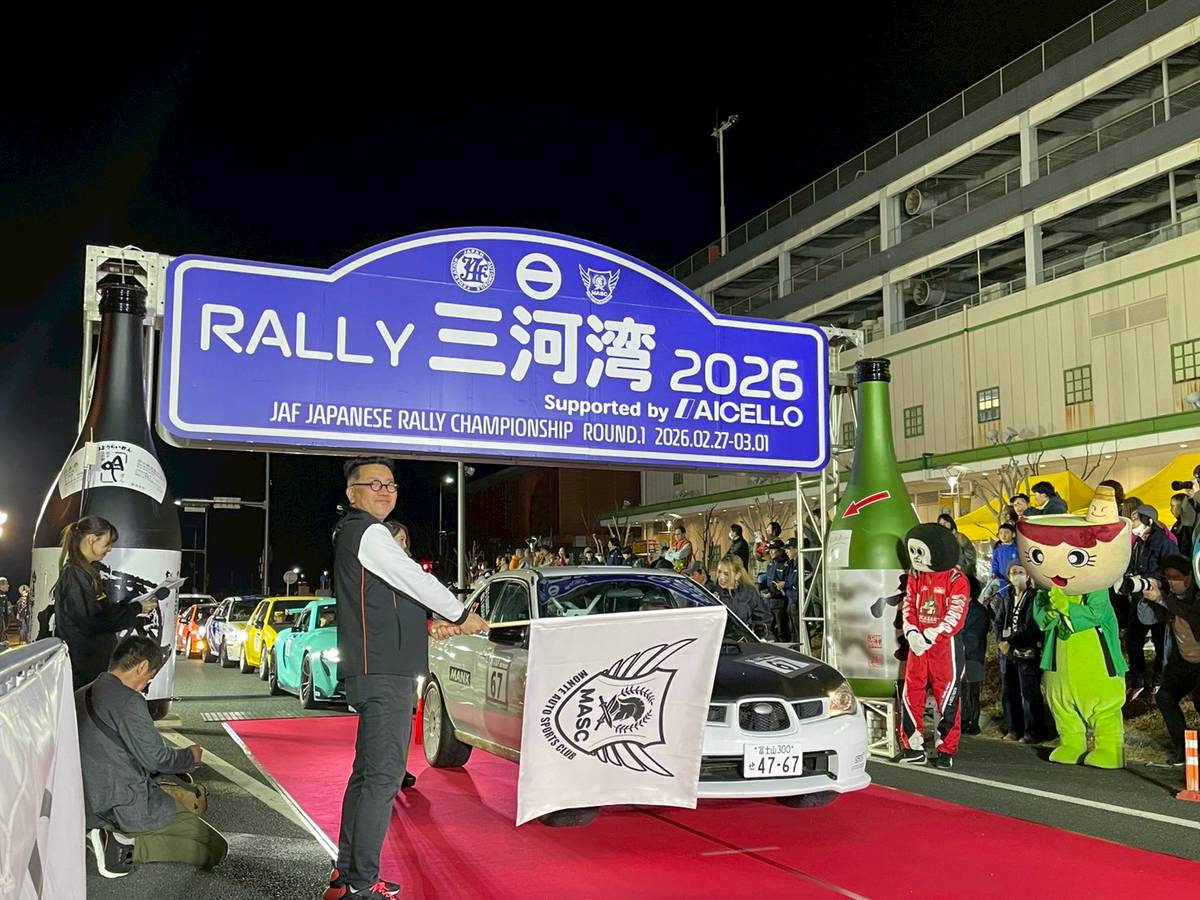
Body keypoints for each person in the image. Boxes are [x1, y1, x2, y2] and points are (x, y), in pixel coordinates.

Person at [330, 457, 488, 899]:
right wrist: (461, 613)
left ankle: (346, 874)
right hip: (384, 673)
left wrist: (433, 626)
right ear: (352, 493)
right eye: (374, 484)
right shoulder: (368, 532)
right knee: (382, 777)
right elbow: (413, 579)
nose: (385, 491)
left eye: (391, 484)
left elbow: (389, 600)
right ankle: (362, 883)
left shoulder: (357, 535)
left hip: (377, 669)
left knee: (368, 775)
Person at [76, 635, 225, 878]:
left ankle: (108, 838)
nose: (146, 686)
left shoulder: (80, 694)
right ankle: (122, 847)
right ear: (142, 666)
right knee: (214, 848)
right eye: (150, 678)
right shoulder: (128, 701)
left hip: (90, 804)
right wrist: (190, 757)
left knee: (189, 832)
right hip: (126, 803)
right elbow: (156, 759)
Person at [53, 517, 157, 690]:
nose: (109, 549)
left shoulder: (85, 573)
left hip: (89, 667)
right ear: (91, 539)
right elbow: (94, 622)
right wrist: (135, 609)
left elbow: (101, 614)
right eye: (107, 544)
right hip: (83, 670)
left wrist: (132, 607)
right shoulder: (75, 576)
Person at [898, 524, 969, 768]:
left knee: (947, 697)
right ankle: (913, 748)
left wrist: (930, 636)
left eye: (920, 552)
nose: (916, 558)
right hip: (917, 646)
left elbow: (956, 615)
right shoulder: (915, 575)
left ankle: (946, 750)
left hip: (944, 648)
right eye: (912, 552)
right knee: (911, 694)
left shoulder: (956, 579)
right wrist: (911, 632)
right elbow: (908, 604)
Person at [1144, 555, 1200, 766]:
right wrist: (1147, 594)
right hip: (1183, 660)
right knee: (1165, 697)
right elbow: (1147, 618)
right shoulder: (1168, 596)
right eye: (1167, 577)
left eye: (1175, 577)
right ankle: (1183, 749)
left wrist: (1162, 599)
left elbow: (1191, 614)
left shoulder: (1197, 597)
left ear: (1189, 576)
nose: (1171, 581)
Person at [1120, 504, 1172, 700]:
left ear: (1149, 520)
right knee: (1133, 642)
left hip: (1158, 602)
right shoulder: (1137, 543)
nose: (1132, 522)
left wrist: (1156, 583)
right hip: (1138, 600)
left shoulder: (1164, 543)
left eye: (1135, 518)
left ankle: (1159, 680)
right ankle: (1138, 681)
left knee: (1160, 644)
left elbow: (1174, 570)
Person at [997, 561, 1048, 743]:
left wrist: (1010, 641)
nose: (1016, 575)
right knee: (1009, 692)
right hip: (1008, 653)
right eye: (1013, 572)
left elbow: (1031, 625)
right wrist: (1000, 642)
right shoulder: (1006, 598)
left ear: (1027, 576)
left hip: (1027, 651)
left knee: (1029, 693)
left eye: (1020, 572)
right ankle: (1013, 728)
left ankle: (1032, 732)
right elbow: (998, 622)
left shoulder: (1034, 598)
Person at [959, 585, 992, 736]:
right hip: (964, 655)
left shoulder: (978, 611)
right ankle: (964, 721)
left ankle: (971, 722)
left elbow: (974, 635)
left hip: (972, 655)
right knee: (964, 690)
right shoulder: (965, 608)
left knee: (971, 691)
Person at [713, 554, 772, 638]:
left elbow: (762, 618)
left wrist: (765, 636)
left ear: (737, 575)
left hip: (744, 642)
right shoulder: (711, 592)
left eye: (726, 574)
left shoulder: (749, 592)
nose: (721, 577)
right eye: (719, 572)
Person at [937, 514, 977, 592]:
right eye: (941, 524)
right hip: (948, 574)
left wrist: (962, 565)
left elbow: (970, 553)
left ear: (951, 523)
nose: (943, 525)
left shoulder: (960, 537)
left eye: (945, 523)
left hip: (963, 572)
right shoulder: (940, 540)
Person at [1170, 493, 1193, 560]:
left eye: (1172, 506)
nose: (1170, 509)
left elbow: (1185, 545)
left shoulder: (1188, 524)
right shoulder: (1179, 523)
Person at [0, 576, 9, 642]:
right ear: (1, 585)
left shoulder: (4, 596)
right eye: (6, 584)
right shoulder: (2, 597)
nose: (8, 585)